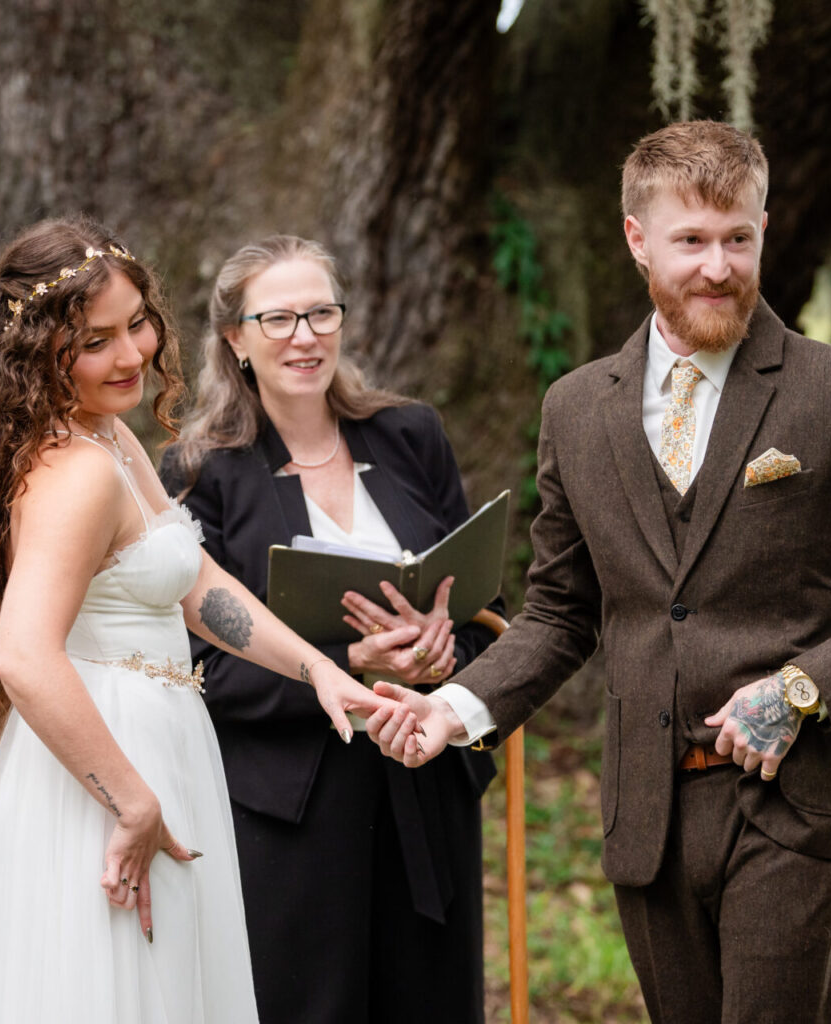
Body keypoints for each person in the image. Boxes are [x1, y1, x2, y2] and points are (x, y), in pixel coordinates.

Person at [368, 121, 831, 1023]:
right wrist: (455, 707)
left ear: (764, 228)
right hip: (646, 813)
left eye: (739, 237)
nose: (719, 266)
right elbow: (559, 615)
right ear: (636, 240)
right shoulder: (576, 408)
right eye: (691, 241)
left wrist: (804, 688)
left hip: (795, 802)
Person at [0, 218, 394, 1024]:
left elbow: (192, 582)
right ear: (39, 356)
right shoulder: (76, 476)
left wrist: (319, 671)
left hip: (154, 742)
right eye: (97, 341)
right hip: (106, 762)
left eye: (138, 322)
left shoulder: (108, 439)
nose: (133, 354)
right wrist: (131, 801)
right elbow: (25, 657)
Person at [159, 235, 500, 1024]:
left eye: (321, 313)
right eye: (277, 319)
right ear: (236, 339)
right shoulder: (200, 473)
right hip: (292, 812)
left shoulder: (411, 435)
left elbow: (487, 607)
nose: (305, 336)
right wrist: (346, 665)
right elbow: (192, 668)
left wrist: (447, 653)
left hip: (425, 786)